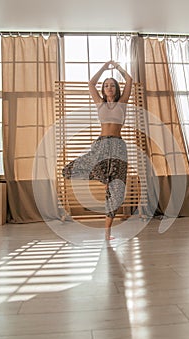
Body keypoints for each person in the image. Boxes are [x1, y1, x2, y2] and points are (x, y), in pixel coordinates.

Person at [62, 60, 132, 240]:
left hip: (117, 147)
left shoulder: (122, 103)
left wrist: (117, 68)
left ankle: (108, 233)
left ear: (116, 89)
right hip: (101, 145)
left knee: (117, 192)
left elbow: (130, 81)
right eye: (106, 85)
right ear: (103, 89)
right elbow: (91, 84)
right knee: (71, 169)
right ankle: (104, 177)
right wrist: (103, 68)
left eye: (112, 85)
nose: (109, 88)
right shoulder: (99, 103)